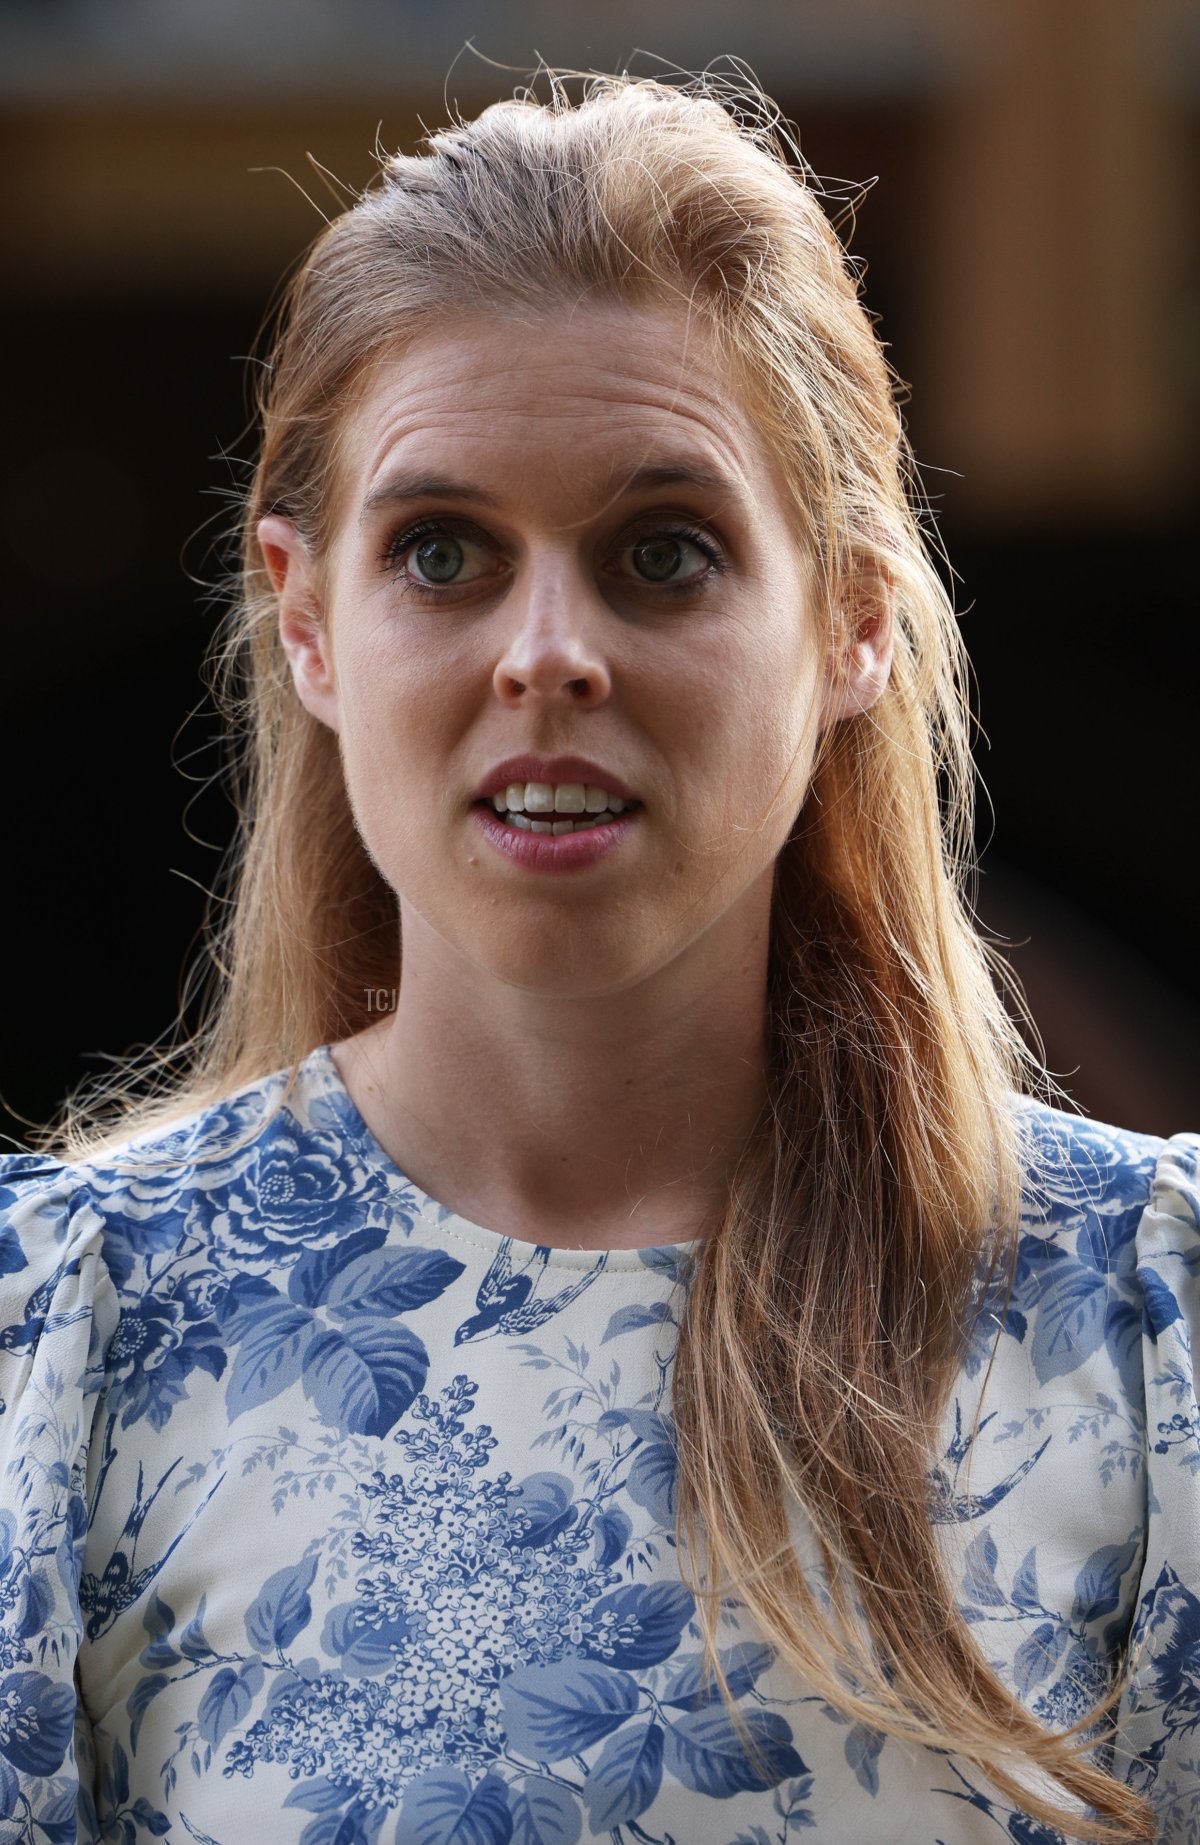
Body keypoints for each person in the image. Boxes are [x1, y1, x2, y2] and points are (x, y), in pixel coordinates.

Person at [0, 72, 1195, 1845]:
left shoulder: (1147, 1325)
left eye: (662, 552)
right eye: (442, 553)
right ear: (307, 620)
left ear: (853, 617)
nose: (547, 652)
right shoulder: (68, 1334)